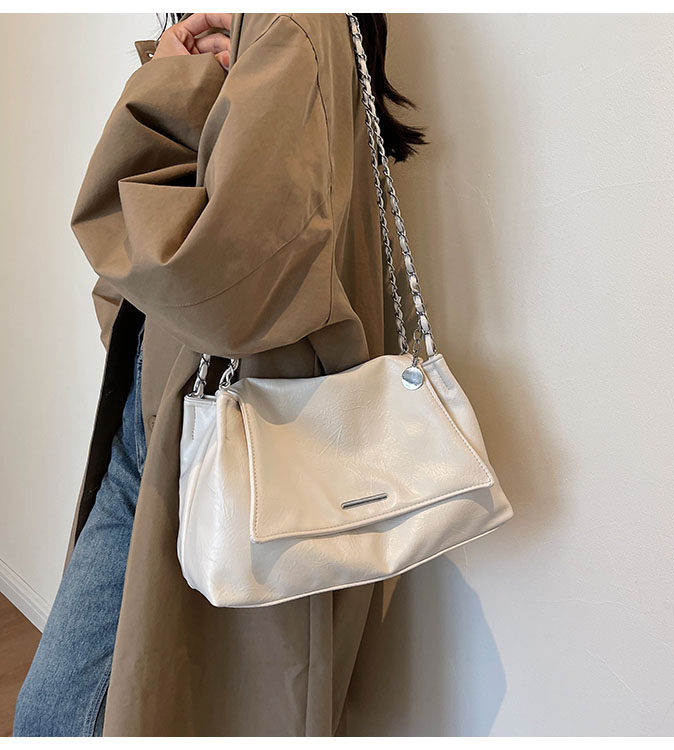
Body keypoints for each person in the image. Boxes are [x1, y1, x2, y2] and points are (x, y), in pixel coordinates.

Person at [13, 12, 427, 737]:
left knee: (67, 716)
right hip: (187, 428)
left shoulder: (288, 22)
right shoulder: (288, 26)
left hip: (211, 442)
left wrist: (167, 85)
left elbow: (206, 271)